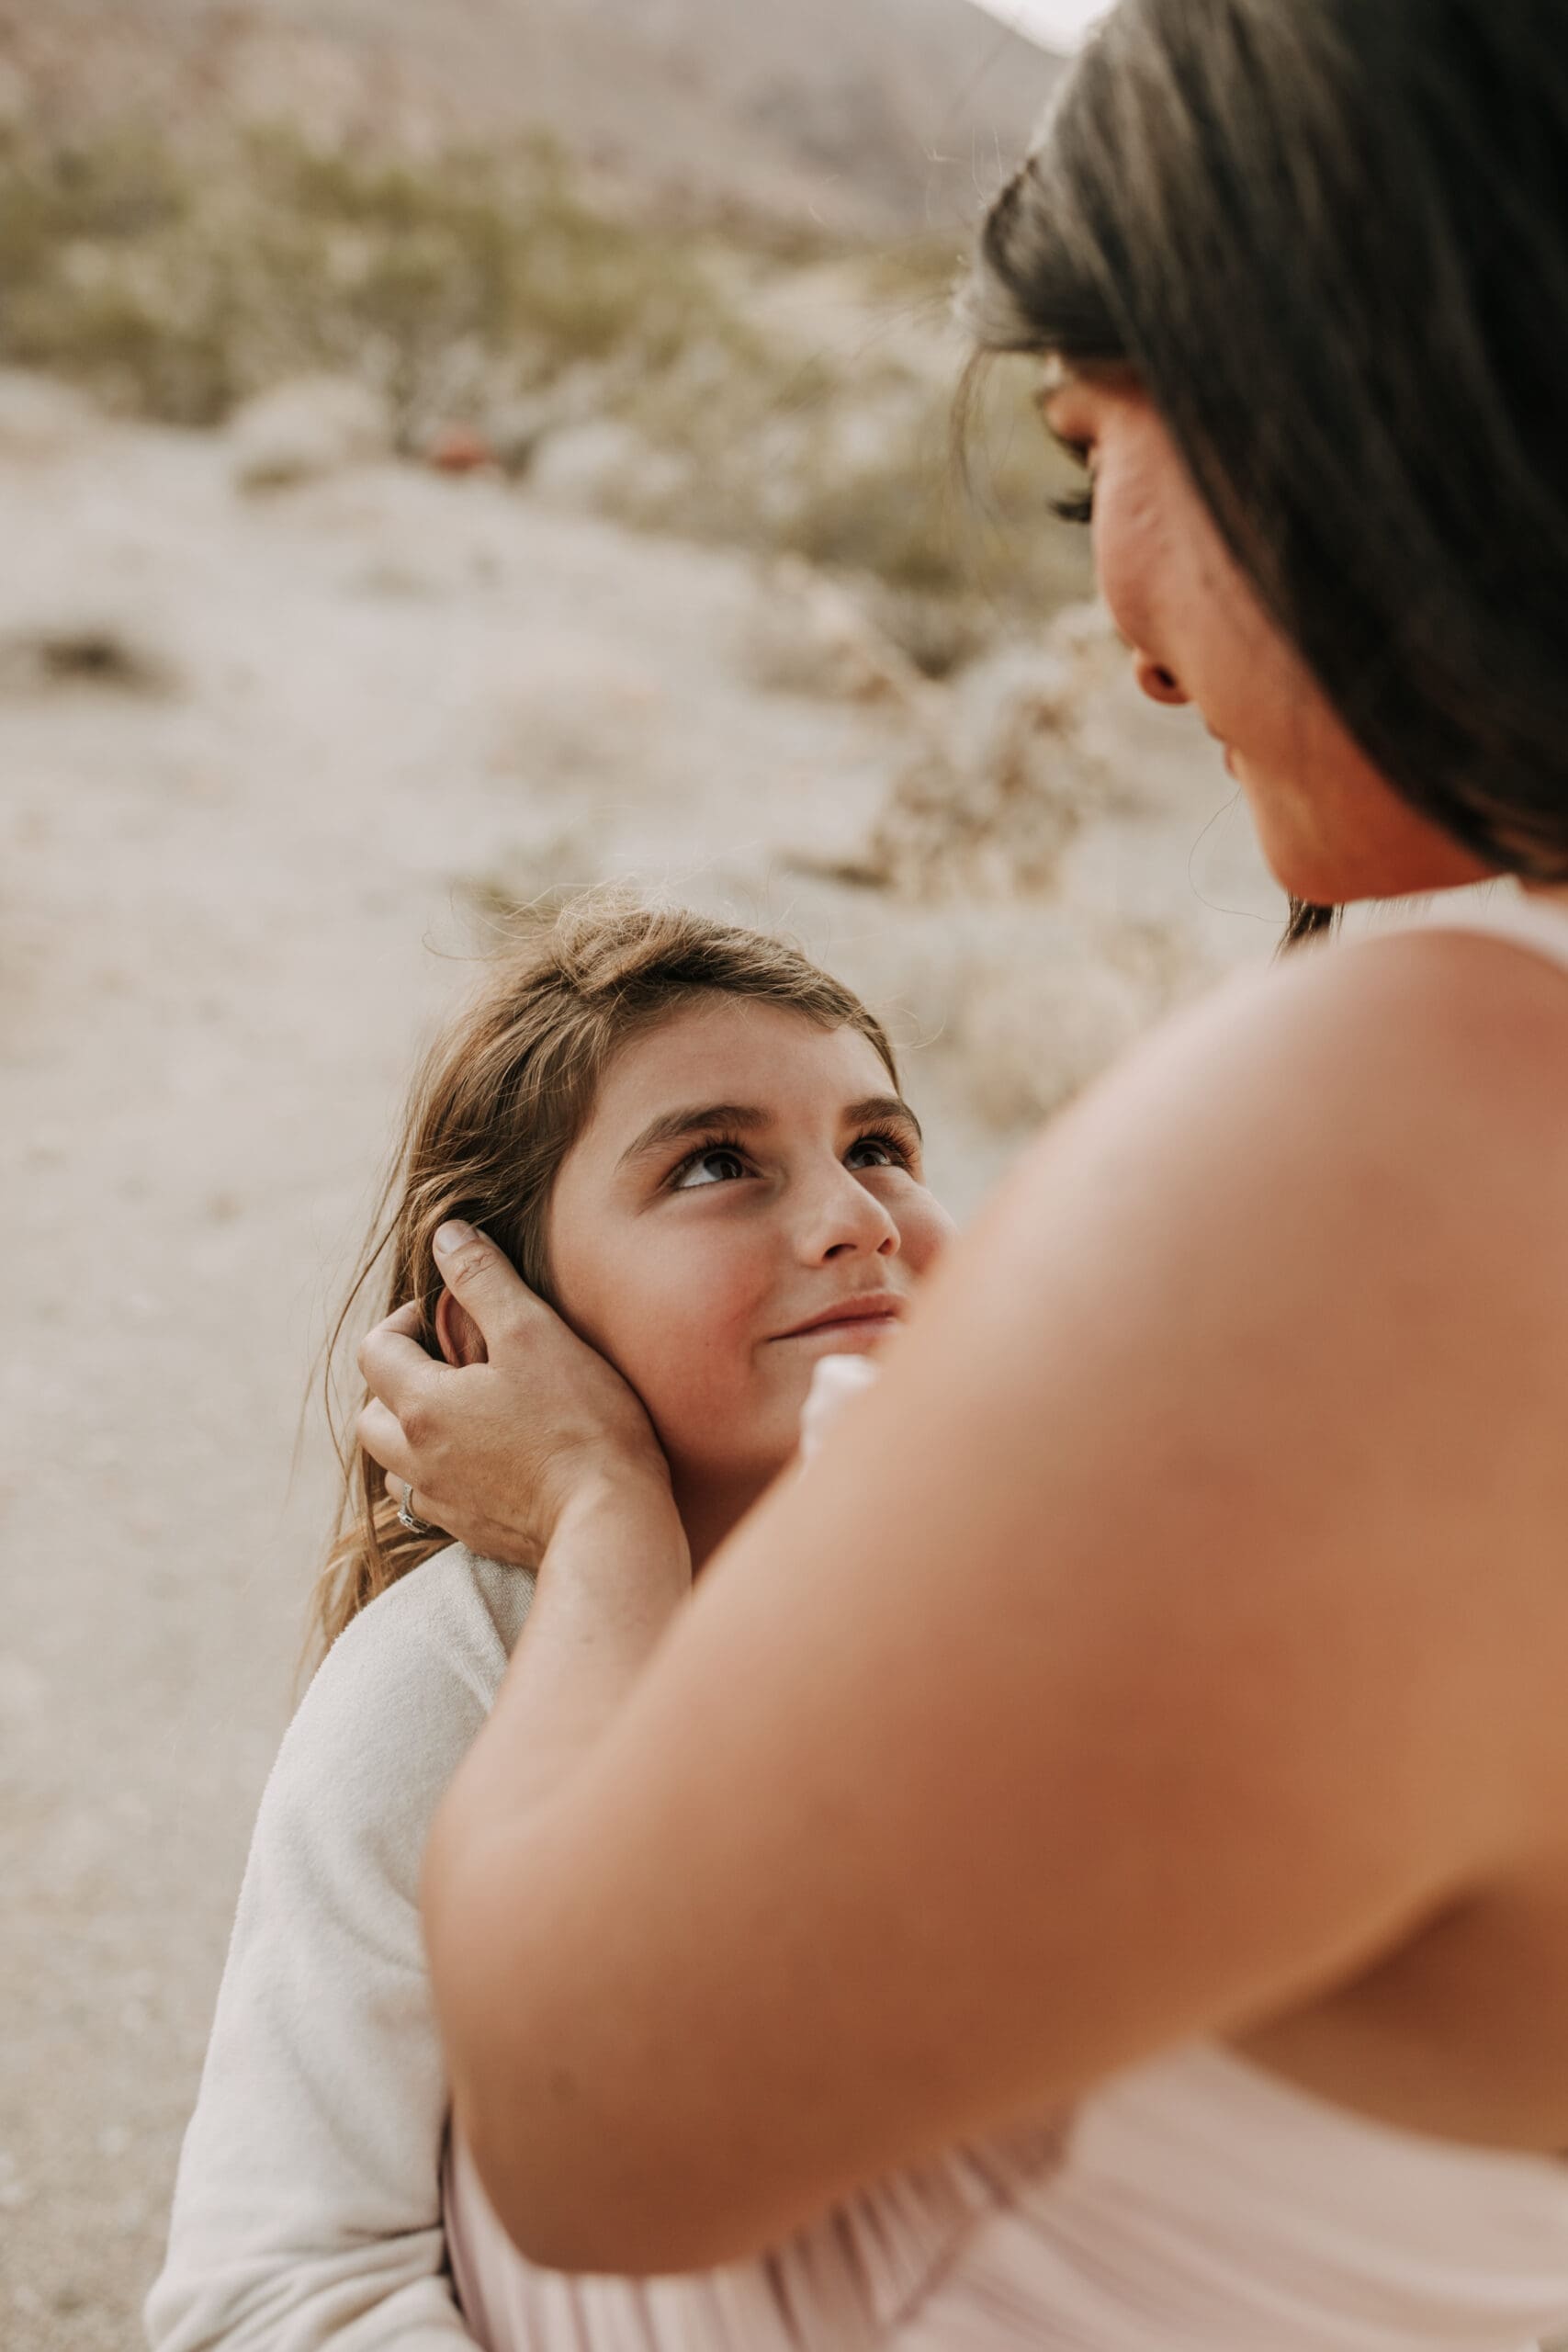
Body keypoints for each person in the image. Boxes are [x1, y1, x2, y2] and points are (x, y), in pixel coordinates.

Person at [355, 4, 1568, 2346]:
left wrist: (595, 1520)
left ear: (1342, 381)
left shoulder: (1400, 1158)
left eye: (1085, 452)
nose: (1116, 637)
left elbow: (584, 2119)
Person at [153, 898, 1093, 2352]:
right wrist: (604, 1509)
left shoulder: (1047, 1594)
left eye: (880, 1147)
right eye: (718, 1163)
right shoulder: (445, 1684)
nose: (853, 1218)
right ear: (496, 1325)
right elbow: (279, 2289)